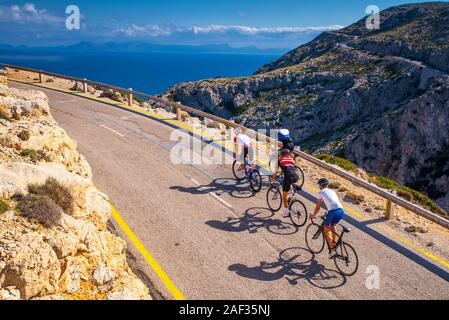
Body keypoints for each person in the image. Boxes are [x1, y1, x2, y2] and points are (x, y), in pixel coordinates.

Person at [310, 178, 345, 258]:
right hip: (341, 211)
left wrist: (313, 215)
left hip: (333, 212)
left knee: (326, 229)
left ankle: (332, 250)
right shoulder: (332, 191)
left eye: (319, 185)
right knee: (333, 226)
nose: (319, 187)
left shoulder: (320, 192)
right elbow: (332, 201)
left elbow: (317, 207)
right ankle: (333, 242)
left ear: (321, 185)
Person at [270, 149, 300, 218]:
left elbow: (275, 171)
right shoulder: (292, 160)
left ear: (281, 155)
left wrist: (273, 179)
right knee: (289, 183)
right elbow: (290, 169)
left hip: (288, 178)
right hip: (295, 177)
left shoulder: (279, 160)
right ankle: (292, 195)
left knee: (284, 197)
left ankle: (286, 212)